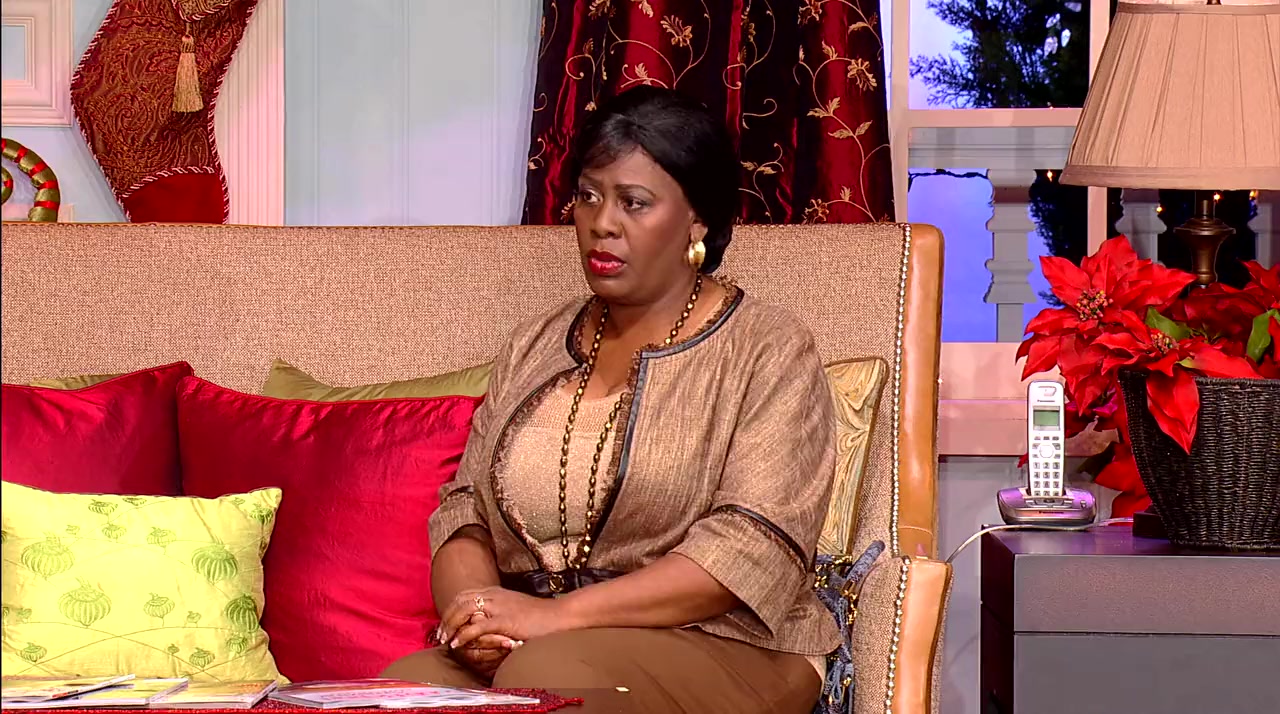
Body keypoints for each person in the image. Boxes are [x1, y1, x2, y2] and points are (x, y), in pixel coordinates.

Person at [382, 86, 839, 713]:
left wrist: (553, 618)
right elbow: (464, 511)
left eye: (634, 202)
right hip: (540, 645)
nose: (602, 222)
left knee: (550, 676)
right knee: (403, 689)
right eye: (589, 195)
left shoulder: (767, 347)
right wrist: (481, 616)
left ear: (697, 220)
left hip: (731, 645)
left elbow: (750, 547)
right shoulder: (536, 344)